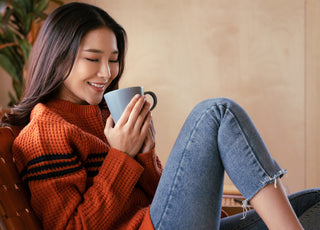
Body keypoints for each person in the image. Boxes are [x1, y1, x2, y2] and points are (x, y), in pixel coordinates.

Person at [1, 2, 319, 230]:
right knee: (216, 113)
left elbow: (158, 196)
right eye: (92, 58)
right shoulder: (45, 131)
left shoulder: (104, 117)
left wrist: (144, 153)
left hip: (164, 219)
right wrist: (120, 156)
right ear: (57, 59)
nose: (107, 72)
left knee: (314, 203)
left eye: (113, 59)